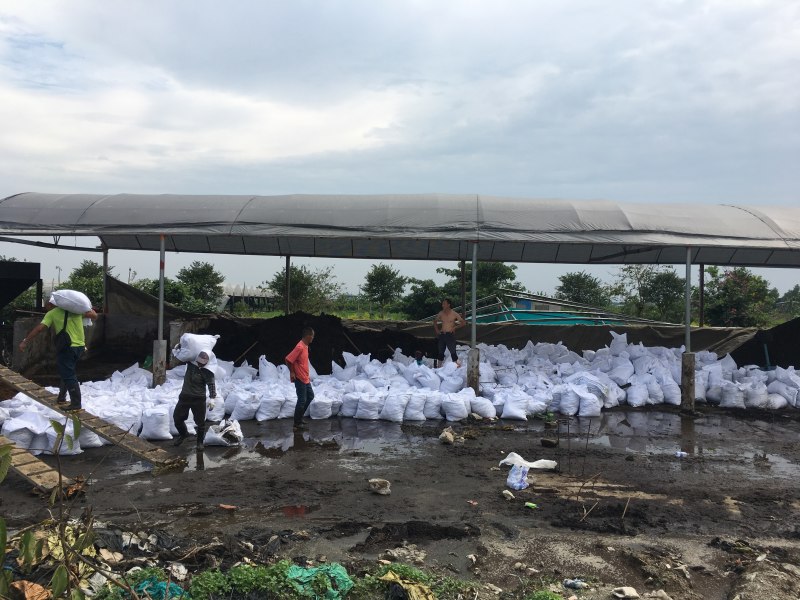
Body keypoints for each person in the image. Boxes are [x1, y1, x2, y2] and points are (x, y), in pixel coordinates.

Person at [19, 301, 98, 411]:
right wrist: (87, 307)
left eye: (46, 306)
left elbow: (39, 328)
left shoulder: (52, 313)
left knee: (69, 374)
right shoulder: (75, 311)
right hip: (80, 347)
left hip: (68, 348)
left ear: (51, 305)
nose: (46, 309)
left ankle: (76, 404)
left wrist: (25, 341)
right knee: (66, 371)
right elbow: (94, 315)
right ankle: (61, 397)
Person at [174, 351, 216, 448]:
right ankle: (184, 434)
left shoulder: (208, 371)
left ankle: (199, 442)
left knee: (200, 422)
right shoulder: (191, 363)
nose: (200, 364)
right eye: (199, 361)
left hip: (198, 398)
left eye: (202, 363)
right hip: (185, 396)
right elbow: (183, 354)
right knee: (177, 418)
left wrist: (212, 398)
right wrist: (178, 349)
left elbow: (211, 385)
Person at [285, 327, 315, 430]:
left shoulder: (306, 346)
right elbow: (288, 360)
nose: (313, 338)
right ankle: (296, 423)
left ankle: (299, 418)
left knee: (310, 396)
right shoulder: (300, 347)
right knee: (302, 400)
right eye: (312, 336)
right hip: (299, 378)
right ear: (308, 336)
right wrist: (292, 372)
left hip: (305, 378)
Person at [433, 298, 465, 368]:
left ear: (448, 305)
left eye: (444, 304)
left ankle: (458, 367)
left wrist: (454, 328)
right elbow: (435, 321)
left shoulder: (454, 313)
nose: (442, 305)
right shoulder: (441, 313)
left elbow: (463, 323)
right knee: (440, 352)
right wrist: (437, 330)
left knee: (453, 352)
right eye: (442, 304)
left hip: (450, 335)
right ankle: (439, 368)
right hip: (442, 335)